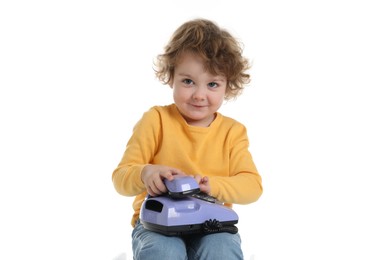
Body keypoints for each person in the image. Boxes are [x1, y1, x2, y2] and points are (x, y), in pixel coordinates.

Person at [112, 18, 263, 260]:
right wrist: (146, 173)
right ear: (171, 76)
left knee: (221, 250)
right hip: (158, 225)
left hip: (211, 224)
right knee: (165, 252)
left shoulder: (232, 132)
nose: (199, 95)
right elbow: (120, 178)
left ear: (228, 86)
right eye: (188, 81)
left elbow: (252, 187)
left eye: (213, 84)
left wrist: (212, 185)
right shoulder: (156, 120)